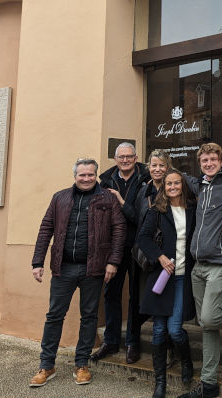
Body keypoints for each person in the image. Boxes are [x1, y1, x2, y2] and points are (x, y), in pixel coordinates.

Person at [29, 158, 126, 388]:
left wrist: (113, 262)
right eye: (82, 175)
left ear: (96, 175)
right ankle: (46, 365)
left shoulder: (108, 198)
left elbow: (119, 231)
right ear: (75, 176)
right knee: (54, 316)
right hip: (63, 268)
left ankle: (81, 364)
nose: (86, 179)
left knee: (89, 316)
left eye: (90, 175)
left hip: (94, 268)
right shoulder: (60, 198)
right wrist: (37, 262)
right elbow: (46, 228)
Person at [179, 142, 222, 398]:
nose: (208, 164)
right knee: (205, 324)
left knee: (209, 318)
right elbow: (174, 177)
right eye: (204, 161)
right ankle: (209, 384)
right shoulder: (200, 185)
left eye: (212, 159)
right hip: (197, 265)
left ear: (221, 160)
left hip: (219, 264)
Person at [137, 168, 197, 398]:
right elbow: (142, 238)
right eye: (168, 184)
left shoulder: (192, 208)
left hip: (183, 276)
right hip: (162, 276)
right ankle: (159, 382)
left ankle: (187, 361)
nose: (172, 187)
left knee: (175, 329)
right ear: (164, 187)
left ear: (183, 185)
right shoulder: (157, 210)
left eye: (176, 183)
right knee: (159, 331)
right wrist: (159, 257)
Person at [93, 142, 152, 364]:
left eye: (129, 157)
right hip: (113, 247)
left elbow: (140, 215)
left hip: (138, 246)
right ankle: (111, 341)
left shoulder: (146, 179)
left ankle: (133, 343)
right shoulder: (105, 181)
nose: (125, 160)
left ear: (136, 158)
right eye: (121, 157)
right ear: (116, 159)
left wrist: (119, 200)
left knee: (136, 297)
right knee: (111, 294)